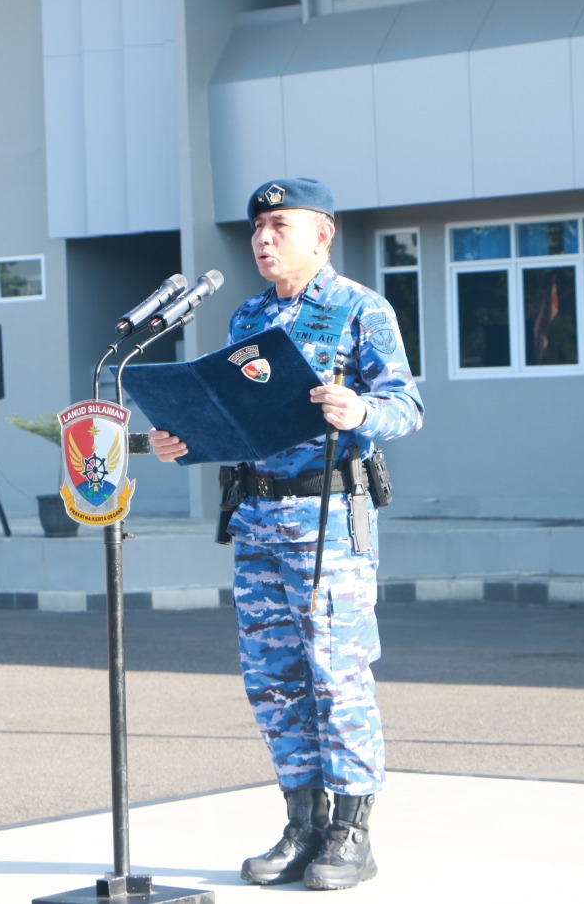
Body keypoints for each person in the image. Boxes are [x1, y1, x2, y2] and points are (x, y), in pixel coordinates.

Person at [149, 177, 423, 891]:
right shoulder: (249, 317)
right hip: (257, 519)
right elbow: (237, 417)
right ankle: (303, 825)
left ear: (322, 234)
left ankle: (351, 833)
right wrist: (185, 439)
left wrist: (360, 411)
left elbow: (406, 405)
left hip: (327, 517)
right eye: (257, 229)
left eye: (279, 226)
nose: (263, 239)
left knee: (336, 674)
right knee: (273, 679)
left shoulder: (360, 309)